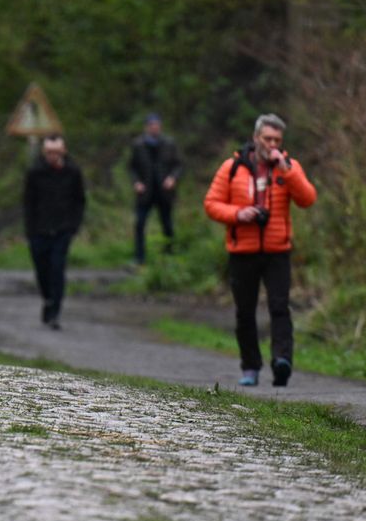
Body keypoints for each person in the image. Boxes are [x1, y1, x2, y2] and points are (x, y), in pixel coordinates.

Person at [204, 113, 317, 387]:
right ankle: (250, 367)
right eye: (268, 138)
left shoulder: (289, 167)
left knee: (280, 307)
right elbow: (211, 203)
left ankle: (282, 362)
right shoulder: (232, 167)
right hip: (243, 250)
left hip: (278, 250)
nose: (272, 144)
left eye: (277, 140)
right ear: (256, 138)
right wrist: (238, 213)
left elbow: (307, 199)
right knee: (245, 311)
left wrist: (286, 170)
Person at [24, 135, 86, 330]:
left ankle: (55, 312)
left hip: (62, 229)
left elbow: (79, 200)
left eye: (56, 152)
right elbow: (28, 202)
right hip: (39, 230)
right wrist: (30, 229)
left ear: (63, 152)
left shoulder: (72, 172)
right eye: (49, 152)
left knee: (57, 268)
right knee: (42, 270)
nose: (52, 156)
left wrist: (73, 226)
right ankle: (48, 299)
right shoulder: (35, 172)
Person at [128, 112, 182, 264]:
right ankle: (139, 257)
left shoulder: (169, 144)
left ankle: (169, 256)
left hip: (164, 191)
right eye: (152, 126)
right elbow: (132, 167)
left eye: (157, 125)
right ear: (147, 127)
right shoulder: (138, 145)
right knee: (139, 224)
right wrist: (136, 182)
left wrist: (172, 178)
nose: (154, 128)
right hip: (145, 192)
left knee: (167, 224)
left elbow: (178, 165)